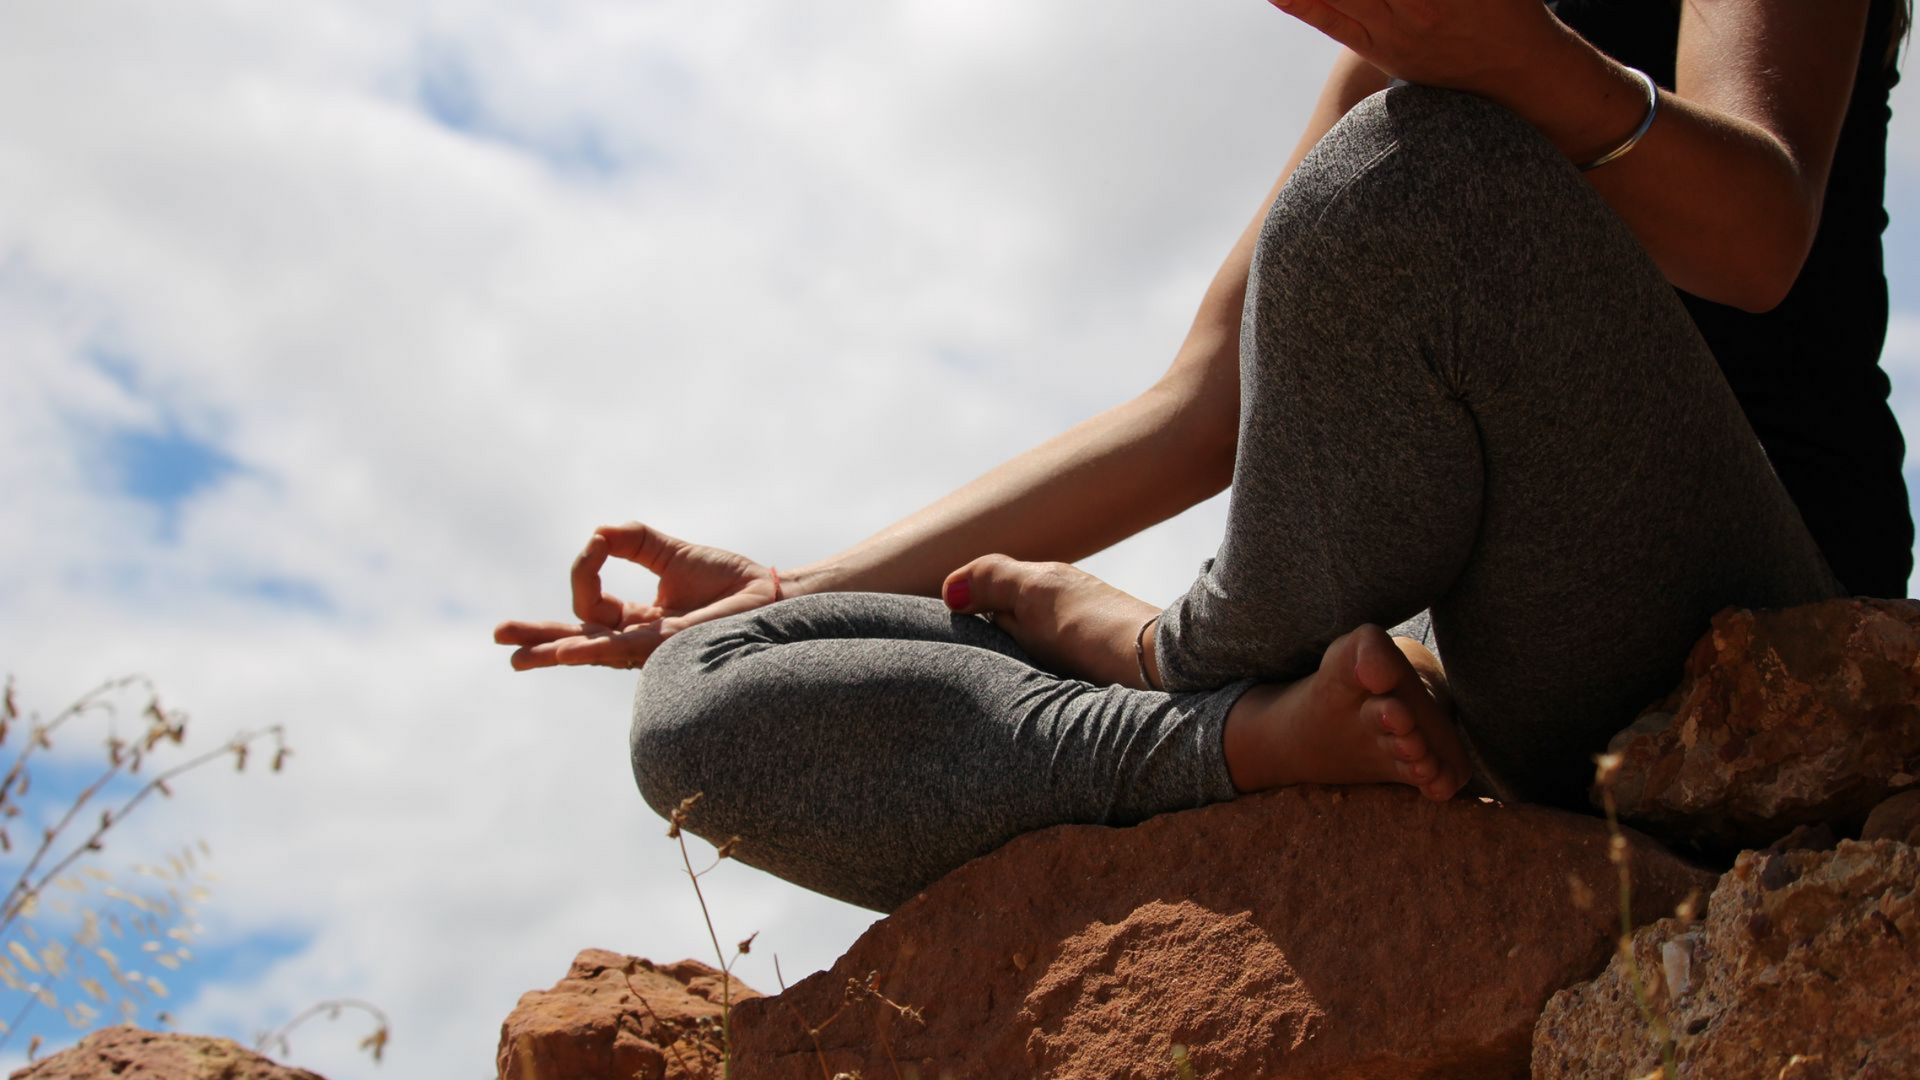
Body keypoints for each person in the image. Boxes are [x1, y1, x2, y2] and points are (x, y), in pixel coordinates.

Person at [497, 0, 1912, 913]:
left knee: (1415, 174)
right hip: (1448, 678)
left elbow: (1757, 239)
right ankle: (1241, 743)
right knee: (708, 699)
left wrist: (1514, 63)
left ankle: (1165, 656)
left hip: (1727, 599)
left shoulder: (1481, 52)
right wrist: (796, 583)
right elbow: (1198, 411)